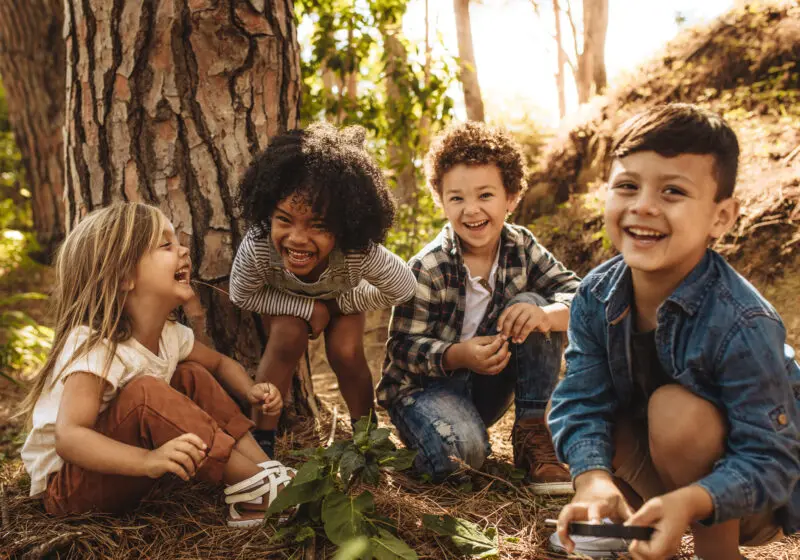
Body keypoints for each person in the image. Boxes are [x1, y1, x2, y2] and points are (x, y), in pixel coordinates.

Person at [548, 104, 800, 559]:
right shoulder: (595, 295)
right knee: (580, 405)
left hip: (749, 493)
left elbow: (771, 459)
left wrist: (691, 501)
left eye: (673, 191)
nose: (643, 206)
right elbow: (582, 400)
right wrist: (592, 479)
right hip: (662, 463)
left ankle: (716, 554)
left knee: (675, 412)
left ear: (721, 218)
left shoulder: (743, 321)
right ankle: (630, 531)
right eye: (628, 186)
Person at [20, 203, 293, 527]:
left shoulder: (170, 335)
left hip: (123, 470)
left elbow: (219, 363)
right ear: (124, 276)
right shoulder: (96, 346)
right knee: (146, 393)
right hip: (71, 489)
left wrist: (250, 391)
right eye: (166, 245)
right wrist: (148, 461)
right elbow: (70, 437)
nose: (184, 250)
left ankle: (264, 471)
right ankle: (256, 491)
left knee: (191, 375)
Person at [377, 122, 581, 493]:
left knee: (533, 305)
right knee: (462, 455)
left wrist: (547, 315)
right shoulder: (428, 267)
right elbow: (402, 348)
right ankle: (448, 437)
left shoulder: (521, 246)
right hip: (423, 392)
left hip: (487, 387)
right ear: (441, 202)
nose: (471, 210)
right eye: (457, 198)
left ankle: (532, 431)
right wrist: (458, 355)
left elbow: (581, 296)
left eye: (485, 195)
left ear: (511, 197)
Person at [230, 123, 416, 457]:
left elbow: (402, 287)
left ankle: (367, 437)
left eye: (318, 225)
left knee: (346, 351)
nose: (297, 238)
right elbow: (241, 294)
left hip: (342, 298)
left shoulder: (357, 250)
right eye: (284, 220)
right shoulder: (259, 245)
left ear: (345, 226)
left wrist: (341, 303)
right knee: (287, 337)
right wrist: (307, 308)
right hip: (286, 301)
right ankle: (262, 442)